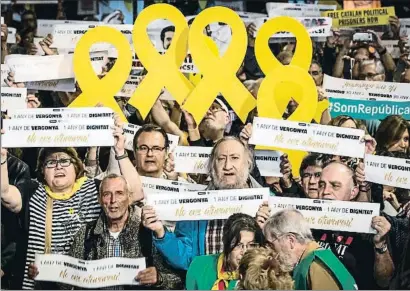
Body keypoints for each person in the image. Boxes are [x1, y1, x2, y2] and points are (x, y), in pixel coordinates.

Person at [12, 119, 144, 290]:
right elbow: (5, 194)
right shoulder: (34, 192)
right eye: (51, 162)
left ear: (76, 167)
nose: (58, 166)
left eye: (65, 161)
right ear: (42, 171)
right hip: (45, 283)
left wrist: (120, 151)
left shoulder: (93, 187)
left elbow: (135, 192)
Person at [28, 174, 183, 290]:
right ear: (99, 199)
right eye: (107, 194)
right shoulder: (86, 234)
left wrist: (159, 278)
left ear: (129, 198)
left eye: (119, 193)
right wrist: (45, 274)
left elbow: (178, 279)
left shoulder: (149, 232)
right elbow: (67, 283)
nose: (113, 200)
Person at [142, 137, 265, 271]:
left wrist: (265, 233)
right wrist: (161, 233)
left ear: (247, 163)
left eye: (234, 158)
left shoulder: (266, 205)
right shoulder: (195, 206)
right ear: (212, 166)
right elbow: (186, 260)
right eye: (221, 159)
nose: (227, 166)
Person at [317, 161, 395, 289]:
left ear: (353, 192)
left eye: (335, 186)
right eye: (321, 185)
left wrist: (381, 246)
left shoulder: (369, 225)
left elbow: (384, 280)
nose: (325, 191)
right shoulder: (307, 221)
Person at [264, 209, 357, 290]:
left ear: (290, 240)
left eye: (271, 245)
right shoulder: (313, 259)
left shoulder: (316, 267)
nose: (270, 251)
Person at [186, 213, 263, 290]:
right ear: (226, 243)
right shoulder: (199, 266)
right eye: (238, 245)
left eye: (251, 245)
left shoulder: (262, 275)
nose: (245, 252)